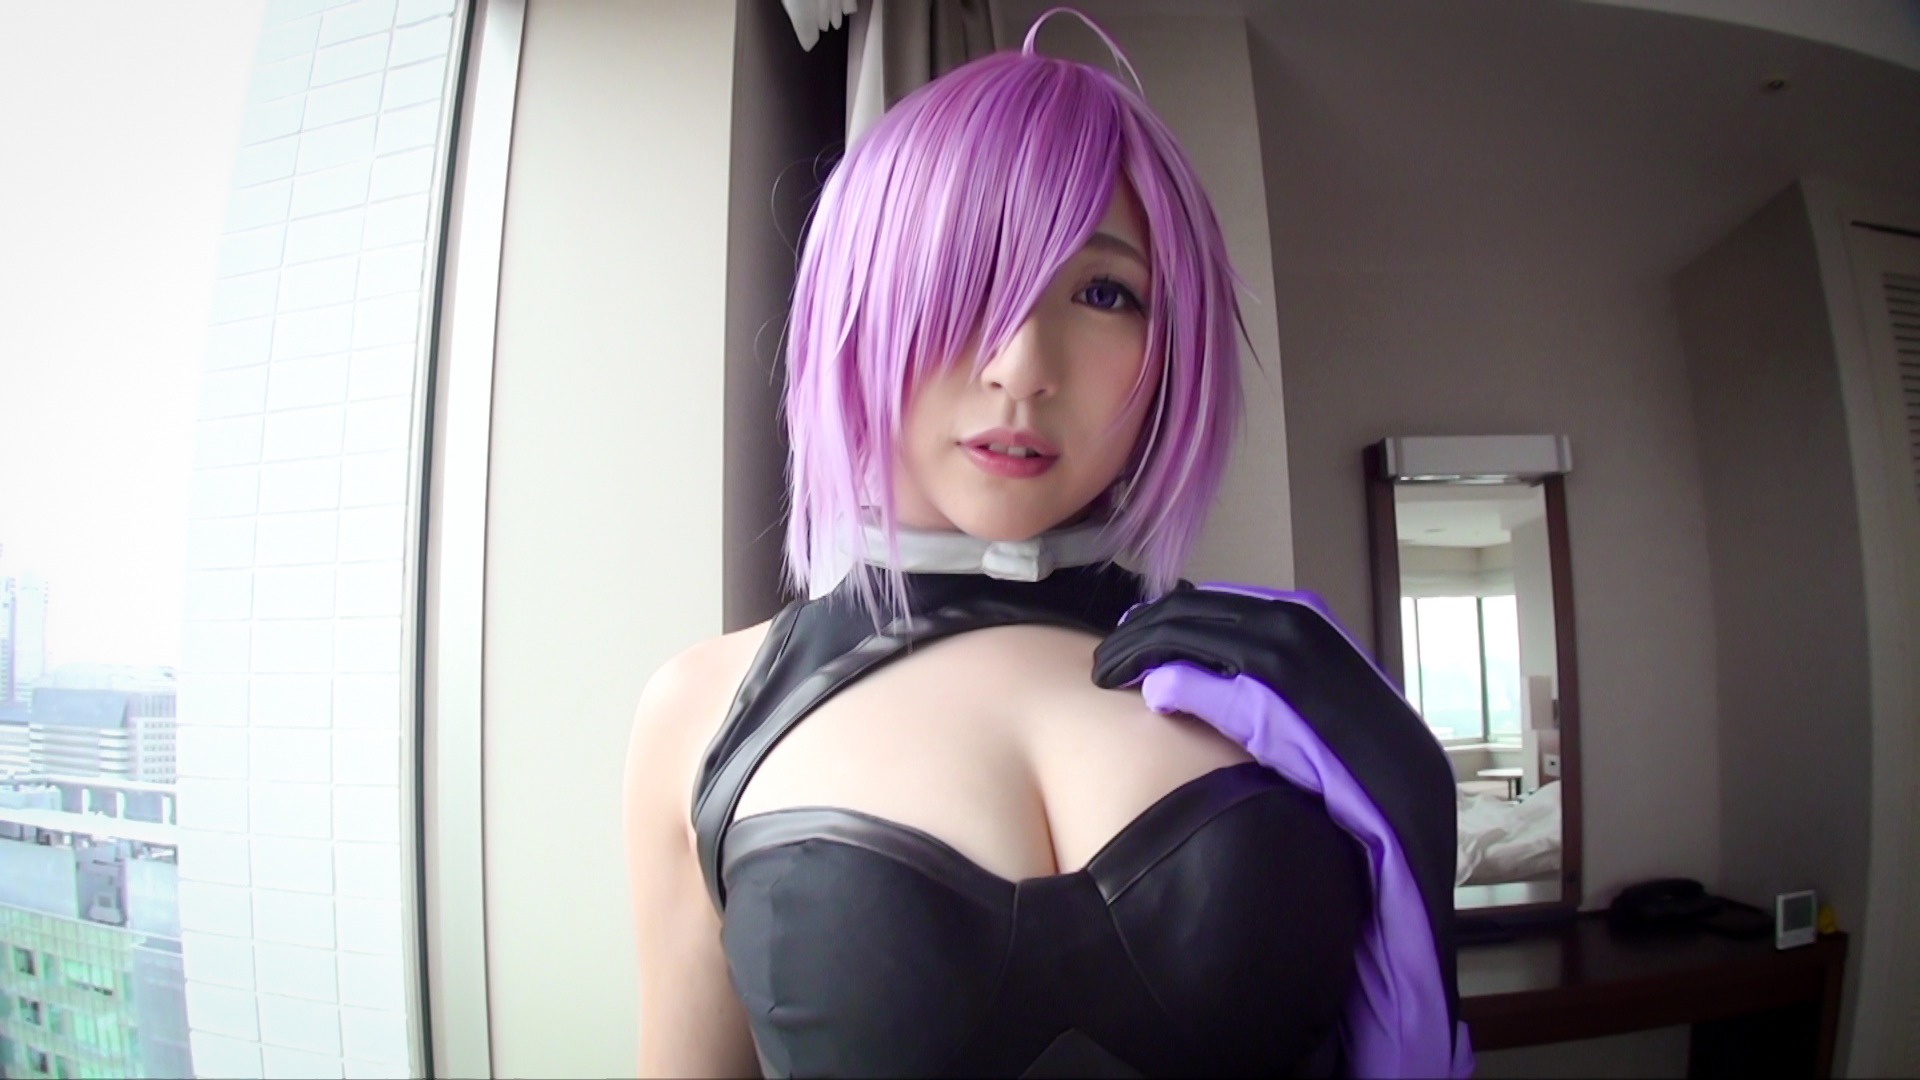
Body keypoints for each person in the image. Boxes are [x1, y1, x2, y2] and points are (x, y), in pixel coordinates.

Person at [624, 11, 1465, 1078]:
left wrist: (1414, 829)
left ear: (1171, 348)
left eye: (1104, 293)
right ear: (857, 298)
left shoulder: (1277, 694)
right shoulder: (702, 712)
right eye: (964, 277)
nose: (1022, 366)